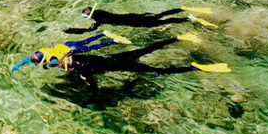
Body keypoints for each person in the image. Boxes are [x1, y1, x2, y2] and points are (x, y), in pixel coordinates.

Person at [12, 32, 230, 91]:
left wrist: (91, 92)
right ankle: (177, 38)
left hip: (122, 64)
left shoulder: (81, 68)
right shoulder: (75, 58)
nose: (56, 65)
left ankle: (194, 67)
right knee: (147, 48)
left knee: (158, 71)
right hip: (118, 57)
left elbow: (91, 83)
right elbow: (82, 54)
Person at [11, 30, 132, 72]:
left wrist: (48, 66)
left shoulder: (51, 60)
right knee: (86, 41)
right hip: (67, 44)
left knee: (94, 47)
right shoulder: (39, 53)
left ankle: (115, 41)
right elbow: (25, 60)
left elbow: (57, 64)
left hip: (71, 50)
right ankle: (102, 33)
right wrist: (16, 66)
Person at [64, 4, 217, 35]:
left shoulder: (100, 19)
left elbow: (91, 29)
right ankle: (181, 8)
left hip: (136, 22)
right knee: (160, 16)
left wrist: (77, 31)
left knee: (163, 22)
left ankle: (188, 19)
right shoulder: (102, 13)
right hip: (133, 16)